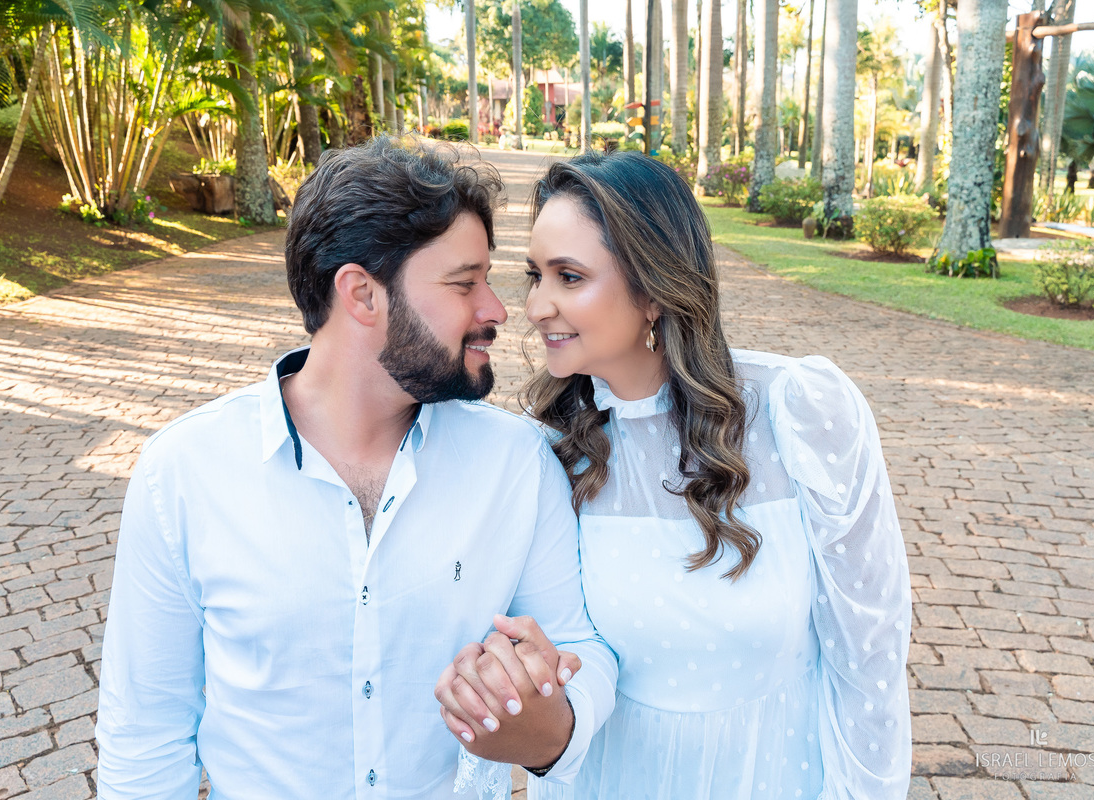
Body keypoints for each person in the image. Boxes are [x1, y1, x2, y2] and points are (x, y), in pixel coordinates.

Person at [96, 136, 617, 799]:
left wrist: (551, 724)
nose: (497, 310)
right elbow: (146, 727)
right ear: (362, 295)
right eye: (465, 283)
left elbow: (582, 645)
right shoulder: (185, 472)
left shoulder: (517, 464)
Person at [438, 151, 913, 799]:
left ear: (654, 289)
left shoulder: (800, 410)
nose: (538, 305)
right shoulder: (547, 450)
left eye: (569, 277)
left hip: (774, 774)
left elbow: (871, 652)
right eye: (534, 276)